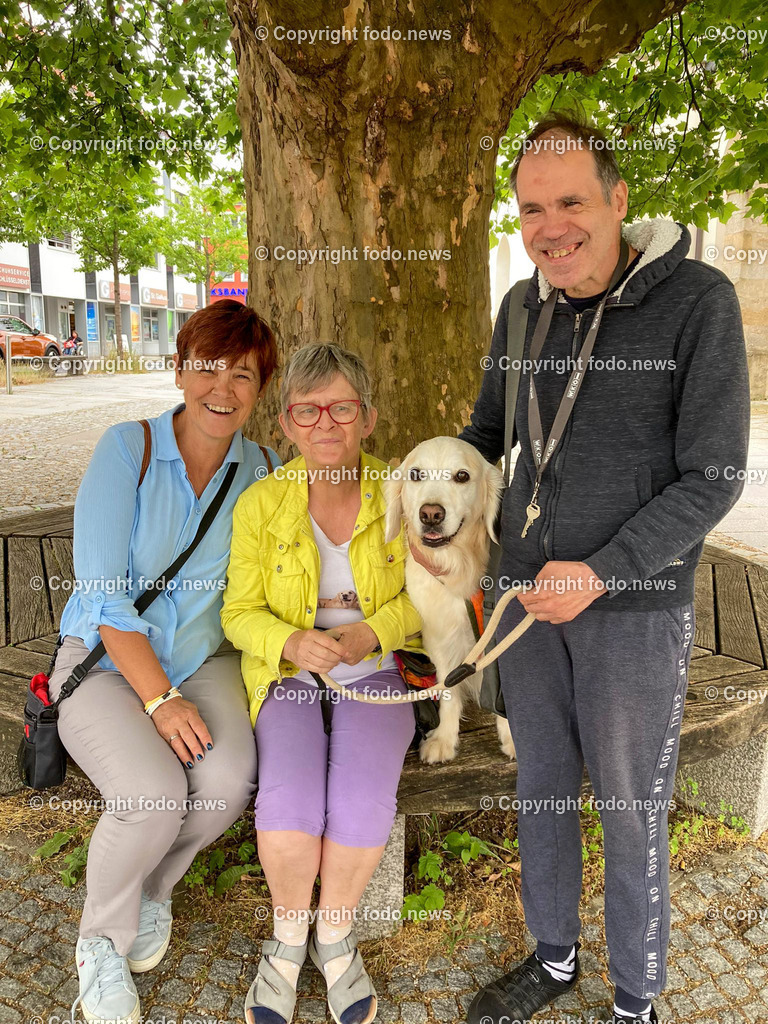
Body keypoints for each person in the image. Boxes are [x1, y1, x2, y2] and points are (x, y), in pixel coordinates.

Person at [450, 111, 749, 1024]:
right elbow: (488, 435)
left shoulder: (697, 301)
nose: (551, 226)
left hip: (631, 611)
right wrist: (437, 496)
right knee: (540, 788)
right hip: (525, 606)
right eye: (532, 208)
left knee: (629, 808)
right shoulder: (519, 307)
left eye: (572, 200)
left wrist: (604, 571)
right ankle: (553, 959)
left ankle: (636, 999)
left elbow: (715, 479)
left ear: (618, 201)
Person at [48, 299, 280, 1024]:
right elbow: (107, 597)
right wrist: (159, 700)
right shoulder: (130, 449)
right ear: (180, 370)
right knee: (151, 794)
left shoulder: (266, 469)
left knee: (225, 778)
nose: (223, 387)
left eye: (243, 374)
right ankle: (101, 943)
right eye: (207, 367)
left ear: (259, 389)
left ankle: (151, 889)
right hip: (107, 660)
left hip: (201, 659)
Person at [221, 343, 421, 1024]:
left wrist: (373, 632)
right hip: (289, 672)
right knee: (290, 794)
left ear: (367, 416)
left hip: (379, 667)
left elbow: (436, 591)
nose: (325, 424)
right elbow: (238, 613)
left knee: (363, 798)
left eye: (342, 408)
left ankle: (333, 934)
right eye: (307, 411)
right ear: (286, 423)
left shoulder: (403, 488)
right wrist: (289, 641)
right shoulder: (261, 504)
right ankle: (286, 939)